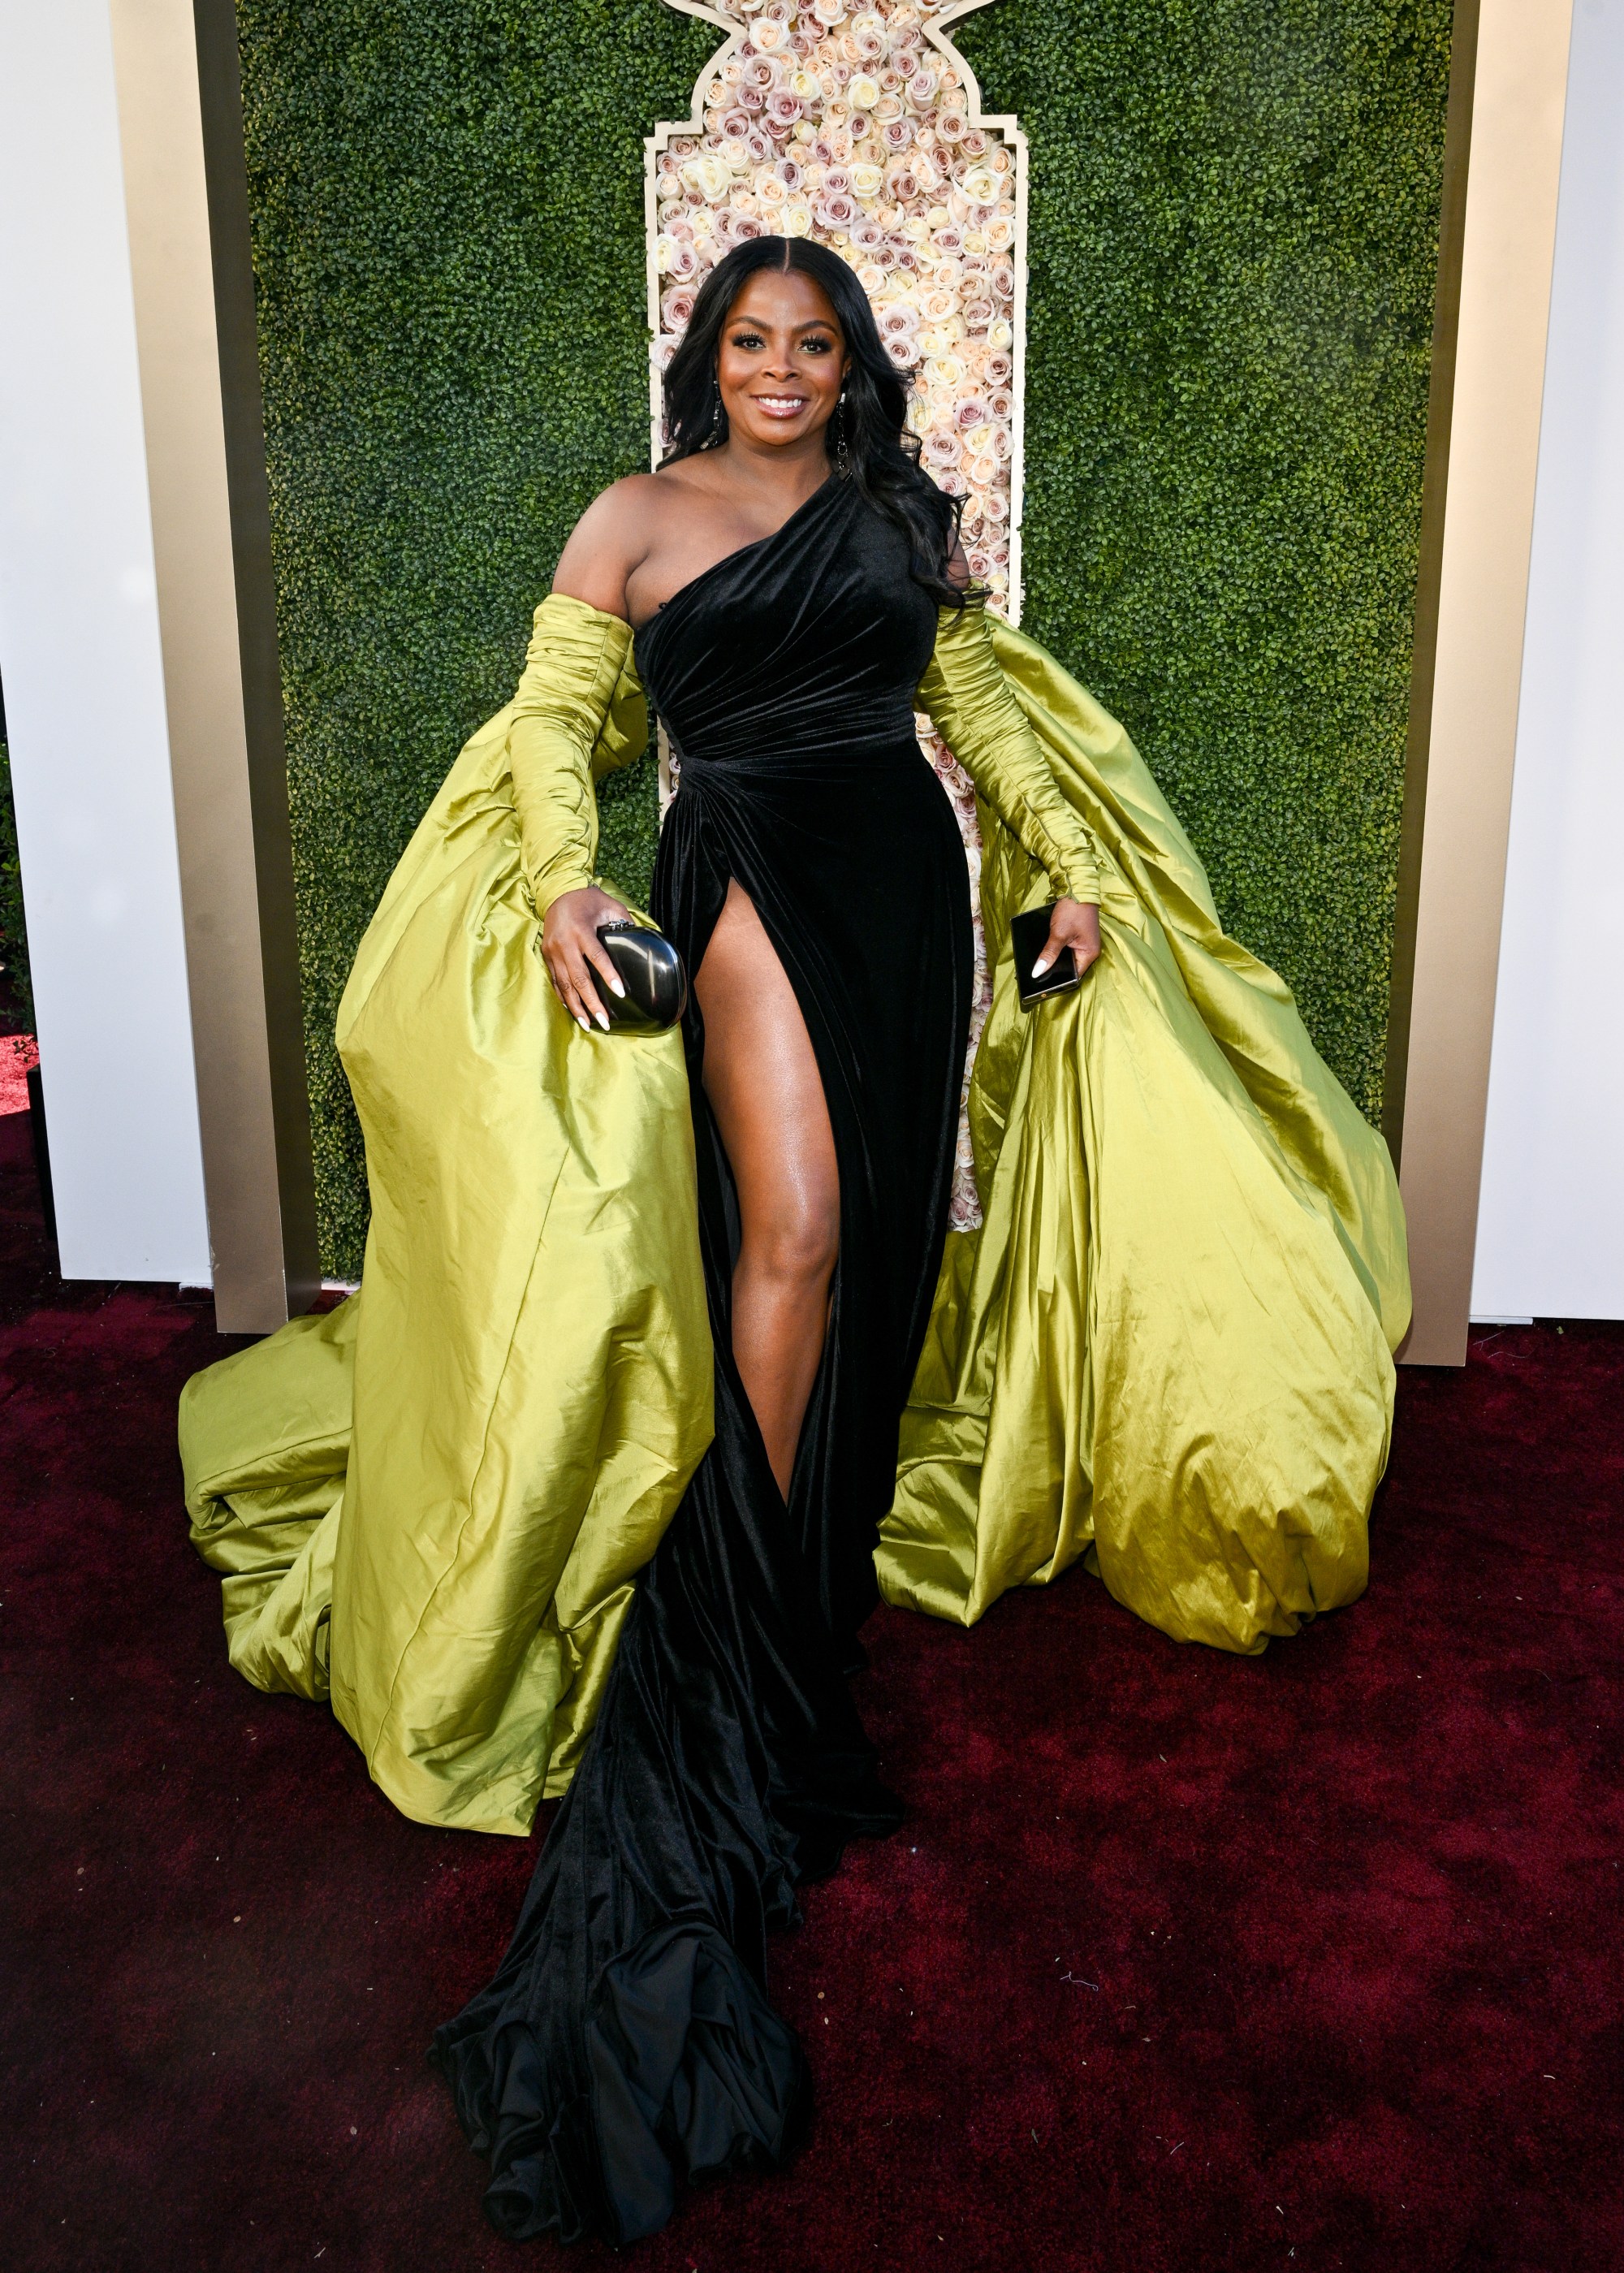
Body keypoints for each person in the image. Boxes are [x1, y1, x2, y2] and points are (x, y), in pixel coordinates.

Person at [179, 236, 1408, 2247]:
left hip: (898, 885)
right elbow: (550, 724)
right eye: (747, 339)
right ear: (707, 357)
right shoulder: (632, 519)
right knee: (802, 1230)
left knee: (869, 1247)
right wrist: (568, 891)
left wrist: (1076, 869)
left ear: (847, 368)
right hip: (741, 855)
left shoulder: (890, 522)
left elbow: (982, 717)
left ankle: (799, 1550)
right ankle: (738, 1597)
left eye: (809, 342)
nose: (776, 366)